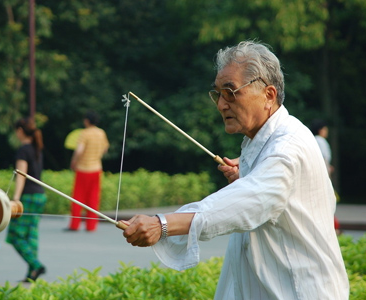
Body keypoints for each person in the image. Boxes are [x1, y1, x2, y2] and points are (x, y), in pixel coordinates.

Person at [121, 41, 349, 299]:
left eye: (231, 92)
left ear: (269, 95)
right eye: (217, 93)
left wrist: (162, 224)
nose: (221, 104)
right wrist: (250, 175)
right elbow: (264, 195)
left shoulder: (287, 147)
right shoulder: (263, 142)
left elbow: (248, 201)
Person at [6, 117, 47, 282]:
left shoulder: (23, 150)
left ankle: (36, 265)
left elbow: (21, 175)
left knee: (15, 235)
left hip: (28, 196)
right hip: (39, 195)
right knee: (32, 235)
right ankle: (32, 274)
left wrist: (16, 198)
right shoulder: (37, 148)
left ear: (20, 131)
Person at [65, 111, 109, 232]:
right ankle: (91, 226)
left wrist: (73, 162)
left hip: (83, 169)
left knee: (78, 198)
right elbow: (105, 148)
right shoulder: (101, 133)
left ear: (87, 121)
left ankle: (74, 224)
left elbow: (79, 150)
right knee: (93, 198)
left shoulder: (84, 133)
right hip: (97, 169)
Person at [310, 119, 341, 233]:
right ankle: (332, 228)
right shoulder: (320, 141)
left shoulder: (314, 139)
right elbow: (322, 158)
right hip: (323, 177)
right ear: (320, 130)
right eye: (325, 129)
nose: (326, 131)